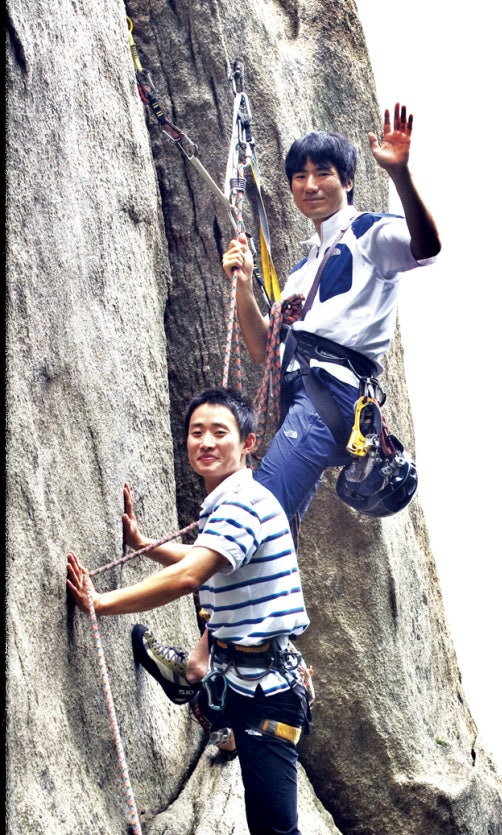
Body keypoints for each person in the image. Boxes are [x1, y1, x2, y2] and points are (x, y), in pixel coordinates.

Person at [135, 103, 441, 692]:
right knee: (269, 530)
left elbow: (426, 246)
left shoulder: (370, 234)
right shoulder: (301, 271)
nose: (310, 185)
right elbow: (260, 347)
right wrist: (243, 285)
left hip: (332, 397)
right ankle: (235, 672)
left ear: (347, 179)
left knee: (254, 509)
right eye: (299, 176)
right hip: (305, 398)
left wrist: (400, 173)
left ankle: (199, 665)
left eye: (323, 173)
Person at [66, 387, 327, 835]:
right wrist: (146, 545)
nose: (205, 442)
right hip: (238, 674)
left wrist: (101, 601)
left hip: (268, 695)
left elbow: (191, 577)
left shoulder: (242, 503)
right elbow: (204, 563)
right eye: (195, 432)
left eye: (219, 432)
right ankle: (192, 683)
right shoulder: (225, 505)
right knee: (200, 676)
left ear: (247, 444)